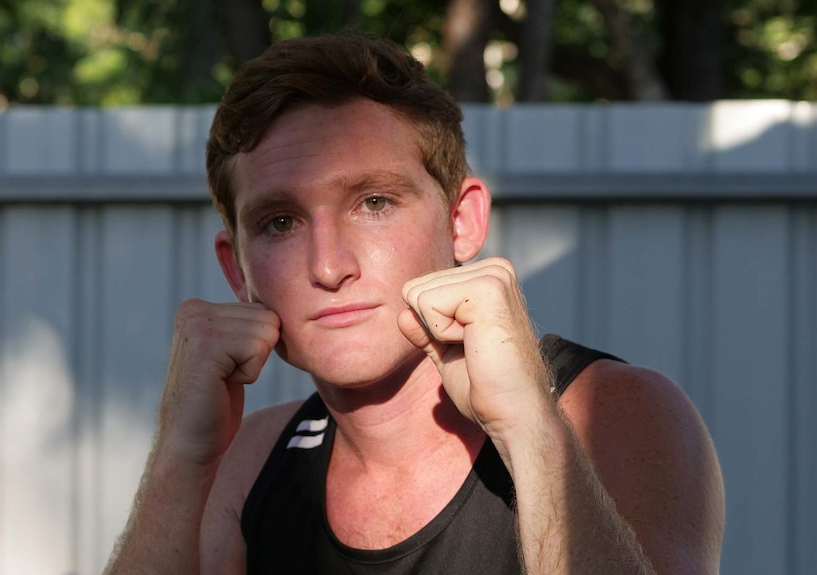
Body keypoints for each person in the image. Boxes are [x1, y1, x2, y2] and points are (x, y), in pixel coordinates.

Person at [105, 32, 724, 574]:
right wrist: (179, 459)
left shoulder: (612, 412)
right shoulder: (252, 461)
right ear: (235, 269)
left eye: (374, 203)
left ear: (462, 221)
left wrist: (529, 428)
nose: (327, 266)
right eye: (280, 223)